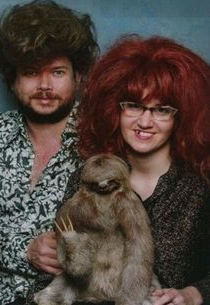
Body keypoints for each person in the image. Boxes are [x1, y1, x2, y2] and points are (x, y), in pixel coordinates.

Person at [0, 0, 99, 304]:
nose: (44, 85)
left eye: (57, 72)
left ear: (78, 77)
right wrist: (25, 249)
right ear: (13, 80)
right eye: (31, 72)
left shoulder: (99, 137)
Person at [75, 35, 210, 305]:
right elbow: (57, 273)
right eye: (134, 106)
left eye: (161, 110)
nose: (144, 121)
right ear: (115, 109)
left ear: (181, 116)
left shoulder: (201, 188)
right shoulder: (91, 177)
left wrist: (193, 294)